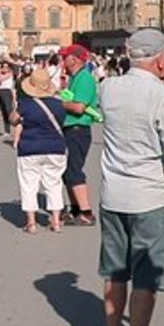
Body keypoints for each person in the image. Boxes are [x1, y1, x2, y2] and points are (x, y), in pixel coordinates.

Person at [97, 29, 164, 326]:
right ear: (161, 58)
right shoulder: (163, 98)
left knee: (115, 271)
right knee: (146, 277)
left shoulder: (109, 88)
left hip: (113, 193)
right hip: (149, 196)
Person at [12, 68, 66, 233]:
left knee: (29, 184)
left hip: (30, 147)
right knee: (54, 184)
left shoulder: (25, 105)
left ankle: (31, 222)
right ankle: (56, 220)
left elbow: (12, 119)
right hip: (55, 148)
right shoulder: (59, 105)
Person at [59, 43, 100, 226]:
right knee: (67, 171)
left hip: (78, 129)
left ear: (74, 59)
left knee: (74, 170)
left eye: (64, 57)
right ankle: (75, 209)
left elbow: (78, 107)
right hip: (70, 128)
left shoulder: (84, 78)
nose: (62, 60)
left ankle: (86, 212)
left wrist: (58, 103)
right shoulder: (74, 78)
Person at [0, 59, 17, 139]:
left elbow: (1, 79)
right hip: (1, 92)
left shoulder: (10, 74)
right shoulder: (0, 73)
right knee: (4, 112)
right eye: (3, 67)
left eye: (6, 67)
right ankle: (7, 131)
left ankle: (15, 129)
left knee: (9, 111)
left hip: (7, 92)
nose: (4, 68)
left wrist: (8, 59)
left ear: (9, 68)